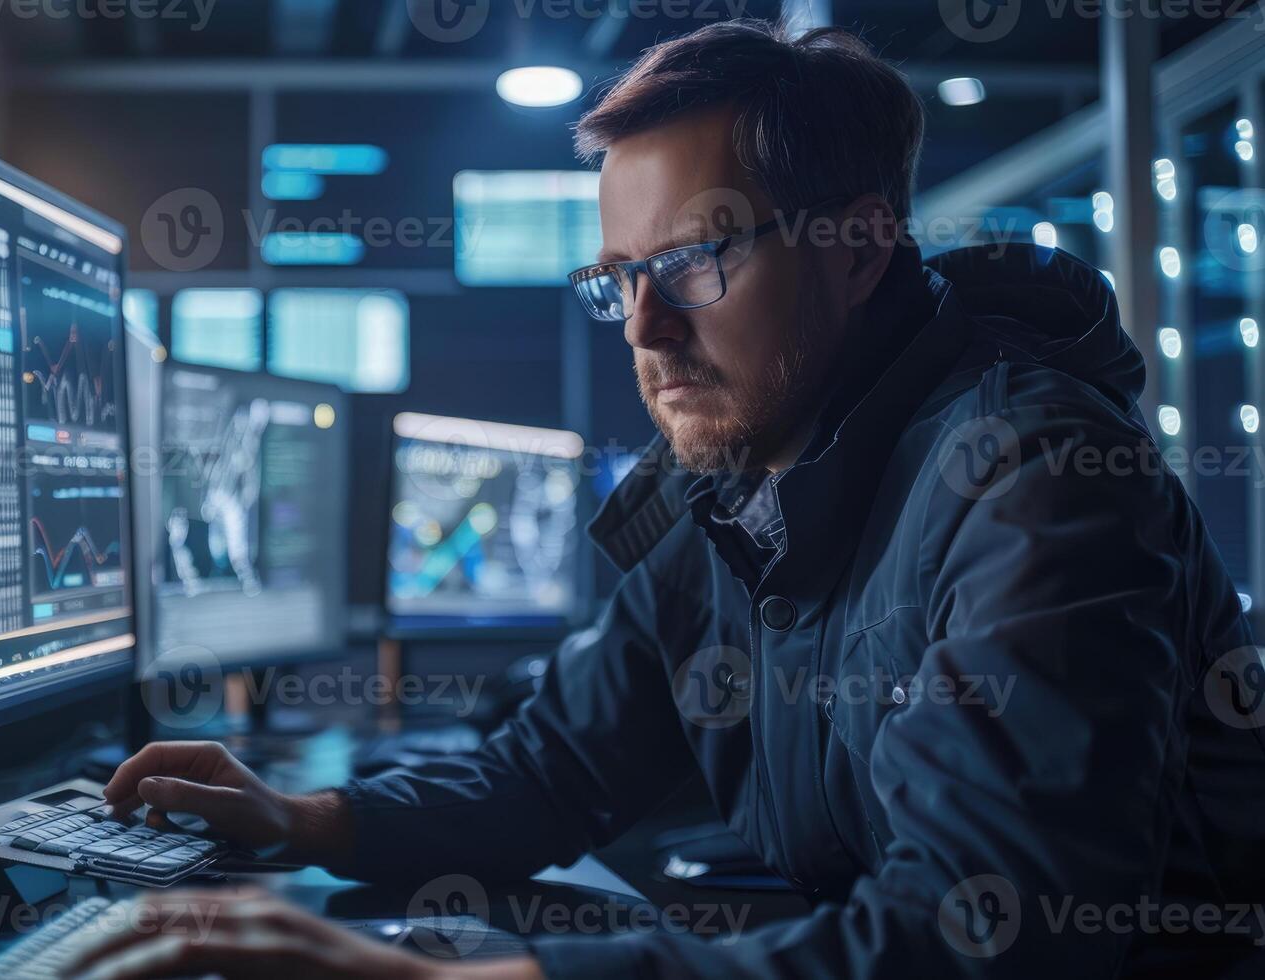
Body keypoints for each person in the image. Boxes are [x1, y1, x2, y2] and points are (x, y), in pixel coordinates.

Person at [65, 19, 1265, 979]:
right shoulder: (741, 479)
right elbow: (556, 767)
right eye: (618, 278)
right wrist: (308, 817)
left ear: (855, 250)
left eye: (693, 260)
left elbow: (984, 934)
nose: (645, 326)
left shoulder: (1031, 479)